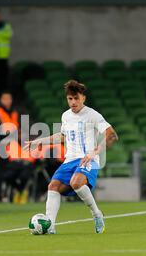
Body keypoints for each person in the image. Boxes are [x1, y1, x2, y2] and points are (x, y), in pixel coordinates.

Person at [24, 80, 119, 234]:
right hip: (70, 160)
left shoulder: (92, 115)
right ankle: (50, 226)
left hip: (89, 159)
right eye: (70, 99)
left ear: (83, 98)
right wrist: (40, 141)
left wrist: (95, 151)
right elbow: (63, 136)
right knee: (53, 187)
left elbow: (112, 135)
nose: (73, 102)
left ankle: (96, 214)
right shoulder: (66, 116)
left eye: (76, 98)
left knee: (76, 182)